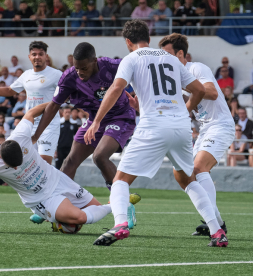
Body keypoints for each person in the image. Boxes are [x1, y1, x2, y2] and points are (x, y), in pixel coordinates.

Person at [85, 20, 228, 247]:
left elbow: (115, 89)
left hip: (153, 125)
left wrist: (97, 121)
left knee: (120, 179)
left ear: (128, 42)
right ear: (149, 38)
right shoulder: (171, 58)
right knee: (188, 180)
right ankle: (217, 231)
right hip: (181, 128)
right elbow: (199, 90)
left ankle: (121, 223)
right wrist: (185, 111)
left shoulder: (131, 59)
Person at [0, 102, 136, 232]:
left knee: (93, 208)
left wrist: (57, 103)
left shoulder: (20, 135)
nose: (18, 168)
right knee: (80, 218)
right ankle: (118, 204)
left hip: (58, 180)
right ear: (1, 159)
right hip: (41, 198)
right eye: (13, 167)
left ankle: (57, 220)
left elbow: (32, 112)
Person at [31, 42, 136, 190]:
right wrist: (36, 135)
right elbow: (53, 106)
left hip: (121, 117)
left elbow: (140, 67)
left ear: (94, 61)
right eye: (77, 67)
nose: (80, 72)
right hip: (94, 120)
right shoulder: (70, 77)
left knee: (99, 156)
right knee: (70, 161)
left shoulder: (111, 66)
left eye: (84, 68)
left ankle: (123, 200)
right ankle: (56, 202)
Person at [159, 33, 234, 237]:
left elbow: (212, 93)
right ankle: (216, 222)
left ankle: (216, 226)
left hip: (220, 125)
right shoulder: (174, 77)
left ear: (181, 54)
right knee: (188, 173)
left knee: (199, 168)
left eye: (167, 54)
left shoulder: (196, 68)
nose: (163, 59)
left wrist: (185, 89)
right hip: (204, 129)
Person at [0, 41, 62, 165]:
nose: (37, 57)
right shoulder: (26, 75)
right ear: (29, 57)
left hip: (49, 125)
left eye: (40, 54)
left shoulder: (56, 74)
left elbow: (67, 95)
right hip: (30, 124)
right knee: (27, 162)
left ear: (46, 56)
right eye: (34, 54)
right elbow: (10, 90)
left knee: (44, 163)